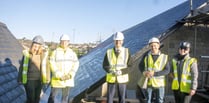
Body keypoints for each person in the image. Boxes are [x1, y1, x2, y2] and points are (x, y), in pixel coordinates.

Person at [18, 35, 50, 103]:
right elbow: (22, 67)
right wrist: (19, 78)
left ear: (41, 47)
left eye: (38, 47)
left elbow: (47, 67)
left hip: (39, 80)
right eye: (35, 46)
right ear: (32, 45)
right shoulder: (27, 54)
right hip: (29, 80)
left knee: (37, 98)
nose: (36, 48)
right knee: (31, 99)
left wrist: (47, 79)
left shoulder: (43, 55)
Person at [138, 37, 170, 103]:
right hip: (149, 83)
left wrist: (155, 74)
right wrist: (144, 72)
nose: (153, 47)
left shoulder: (164, 57)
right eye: (151, 46)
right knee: (148, 100)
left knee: (160, 101)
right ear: (149, 46)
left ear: (158, 45)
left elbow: (167, 70)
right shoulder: (146, 56)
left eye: (155, 45)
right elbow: (140, 66)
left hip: (160, 84)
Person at [49, 34, 79, 103]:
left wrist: (70, 74)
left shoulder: (72, 53)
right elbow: (52, 64)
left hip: (68, 79)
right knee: (52, 97)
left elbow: (76, 64)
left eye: (66, 41)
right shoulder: (55, 52)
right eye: (62, 41)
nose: (64, 43)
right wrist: (59, 75)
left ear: (68, 42)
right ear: (60, 42)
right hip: (57, 79)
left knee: (65, 98)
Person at [103, 32, 131, 103]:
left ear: (122, 41)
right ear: (114, 41)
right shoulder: (109, 52)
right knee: (110, 98)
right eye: (116, 40)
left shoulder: (126, 52)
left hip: (122, 79)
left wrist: (121, 72)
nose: (118, 42)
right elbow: (104, 65)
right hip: (111, 78)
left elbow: (130, 66)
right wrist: (110, 70)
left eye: (119, 40)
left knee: (122, 98)